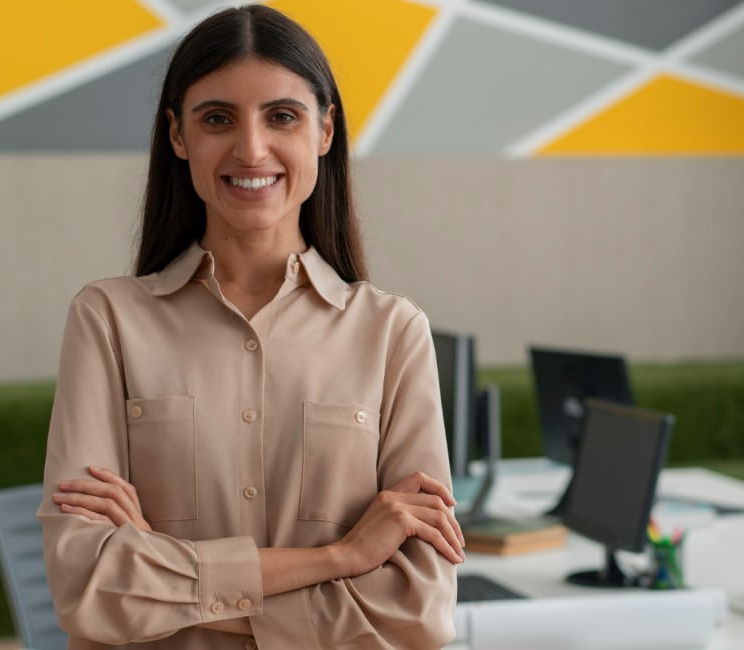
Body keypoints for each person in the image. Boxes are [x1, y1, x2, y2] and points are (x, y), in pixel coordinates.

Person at [38, 5, 462, 649]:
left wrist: (160, 566)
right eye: (216, 119)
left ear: (324, 129)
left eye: (282, 116)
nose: (251, 149)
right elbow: (89, 585)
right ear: (178, 136)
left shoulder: (392, 333)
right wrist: (341, 557)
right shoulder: (108, 320)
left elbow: (417, 611)